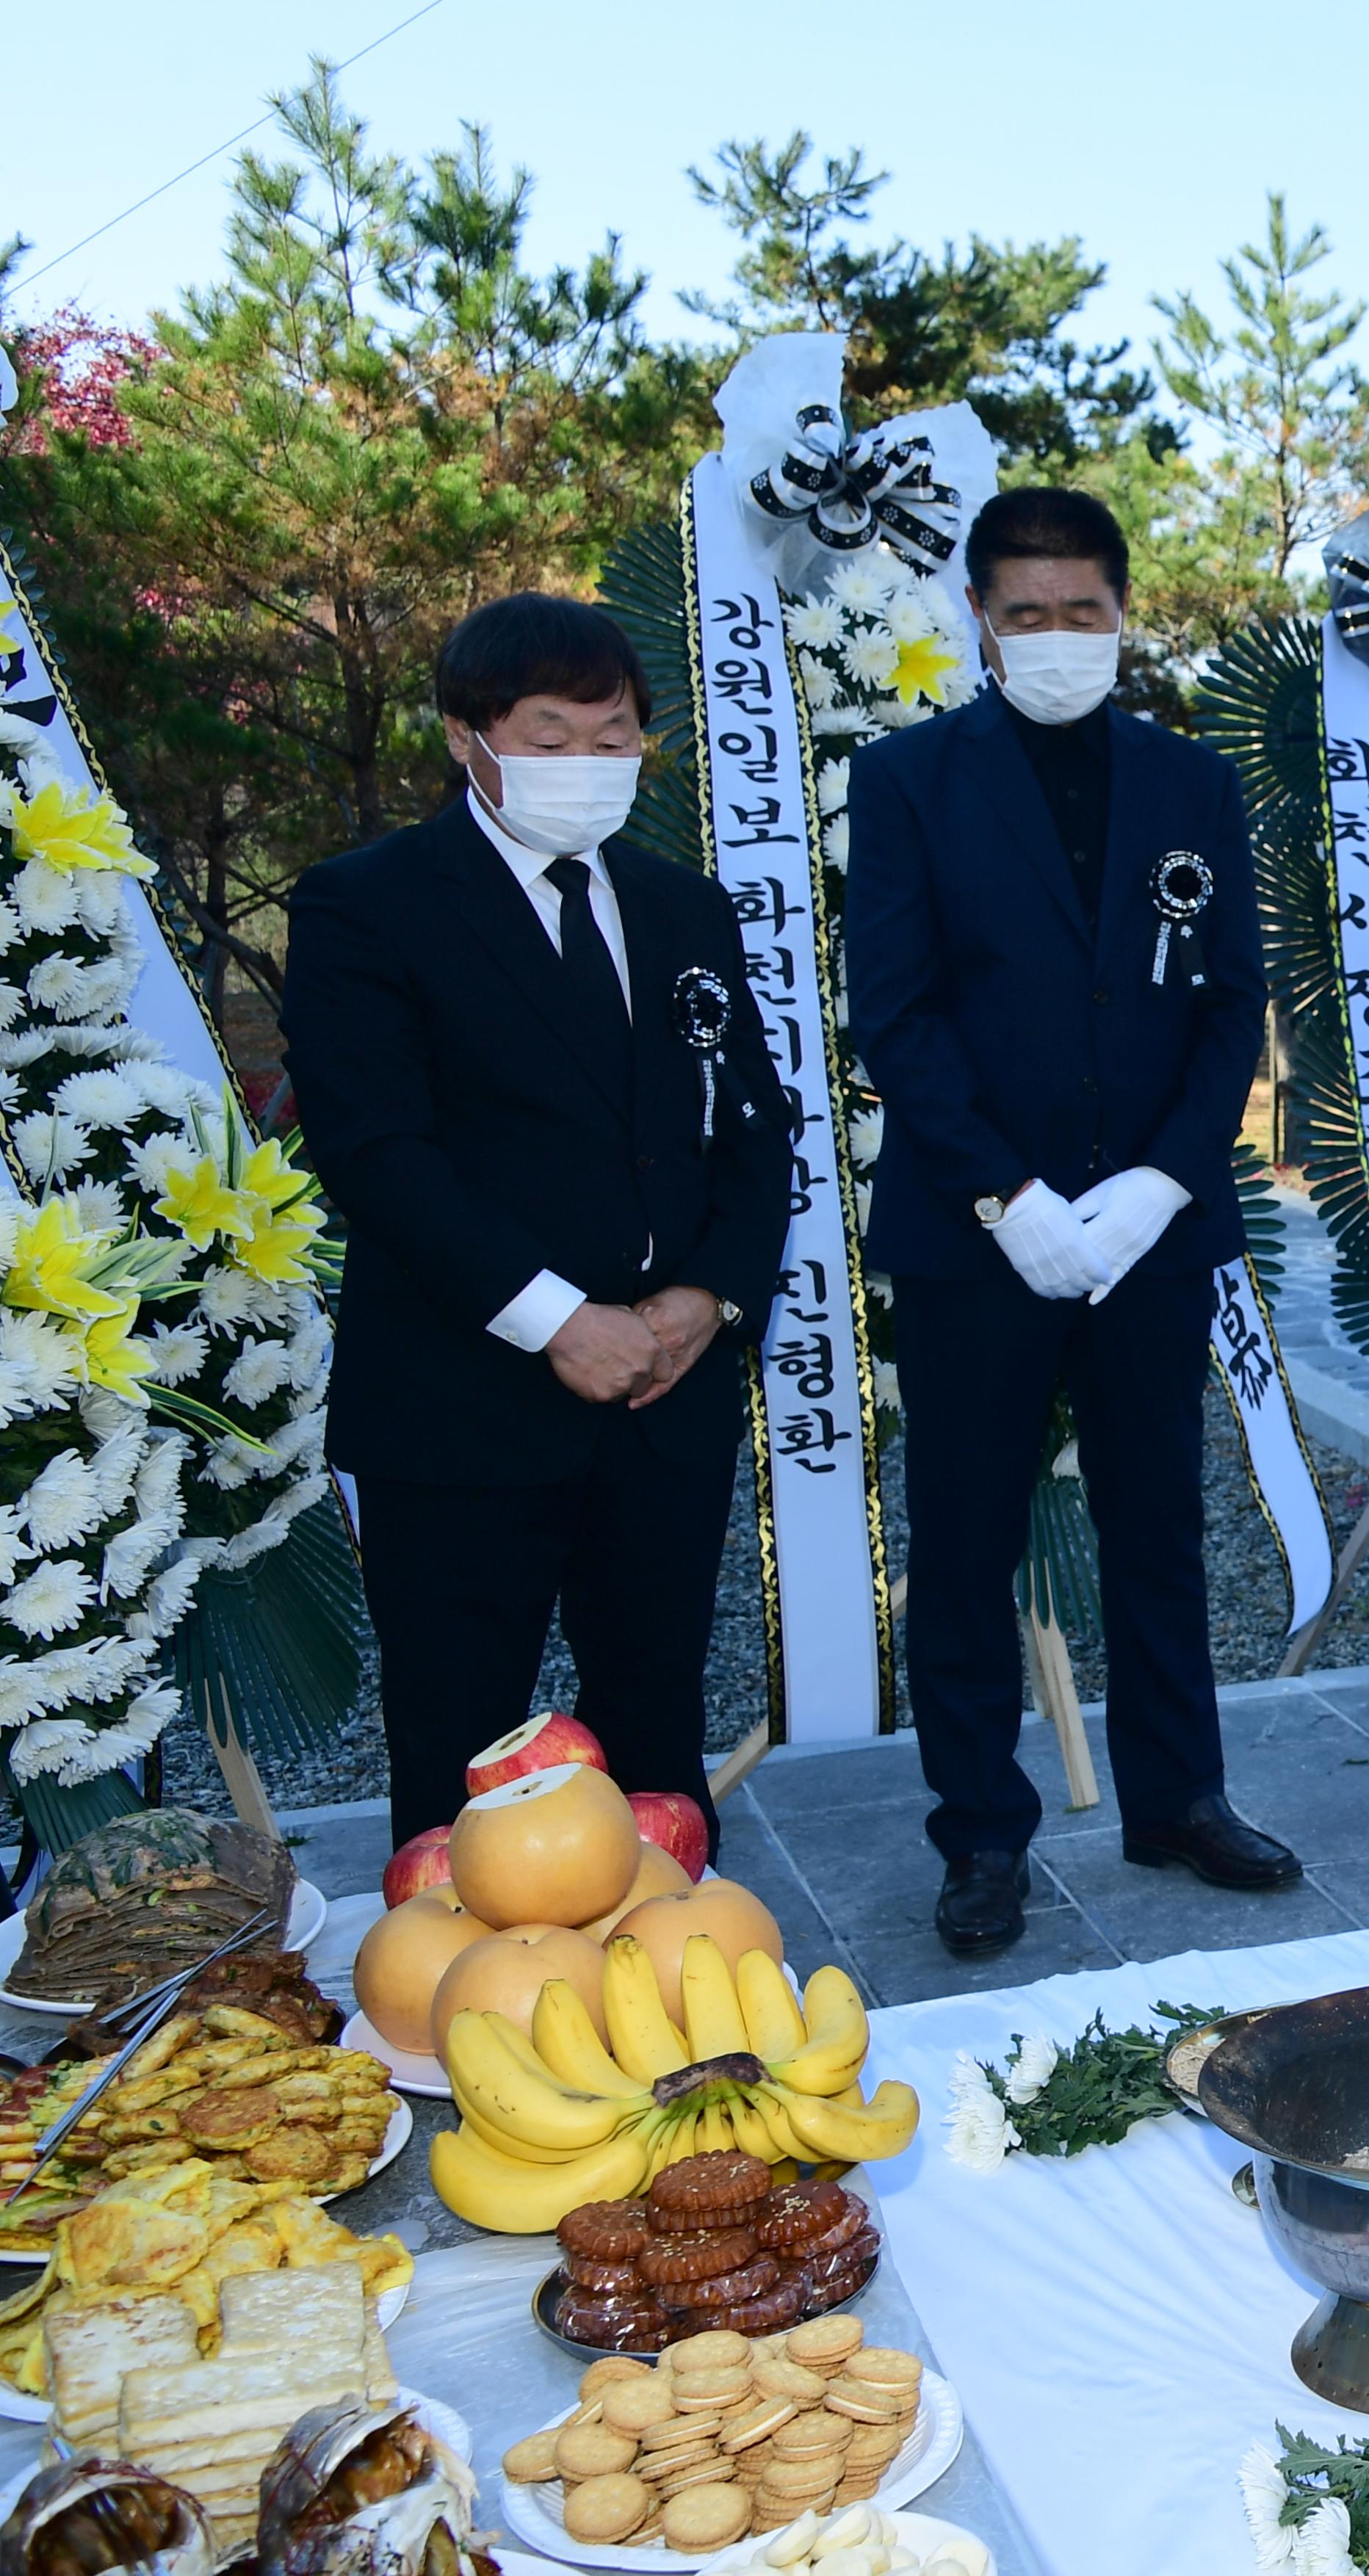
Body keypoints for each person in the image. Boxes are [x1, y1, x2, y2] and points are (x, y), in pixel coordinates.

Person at [843, 485, 1290, 1955]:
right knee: (964, 1540)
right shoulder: (910, 781)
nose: (1054, 637)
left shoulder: (1190, 784)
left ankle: (1179, 1792)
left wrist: (1166, 1175)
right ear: (979, 617)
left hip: (1151, 1225)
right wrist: (1007, 1194)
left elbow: (1230, 1000)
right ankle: (980, 1834)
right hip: (979, 1231)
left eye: (1080, 612)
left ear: (1121, 612)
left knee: (1158, 1519)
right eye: (1023, 614)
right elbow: (895, 1018)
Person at [283, 593, 794, 1842]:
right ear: (469, 737)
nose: (586, 765)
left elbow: (753, 1128)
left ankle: (667, 1979)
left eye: (614, 736)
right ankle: (464, 2011)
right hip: (467, 1408)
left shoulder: (684, 909)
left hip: (665, 1403)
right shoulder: (367, 904)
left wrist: (708, 1297)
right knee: (462, 1754)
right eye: (550, 736)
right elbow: (376, 1151)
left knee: (657, 1732)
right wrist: (558, 1319)